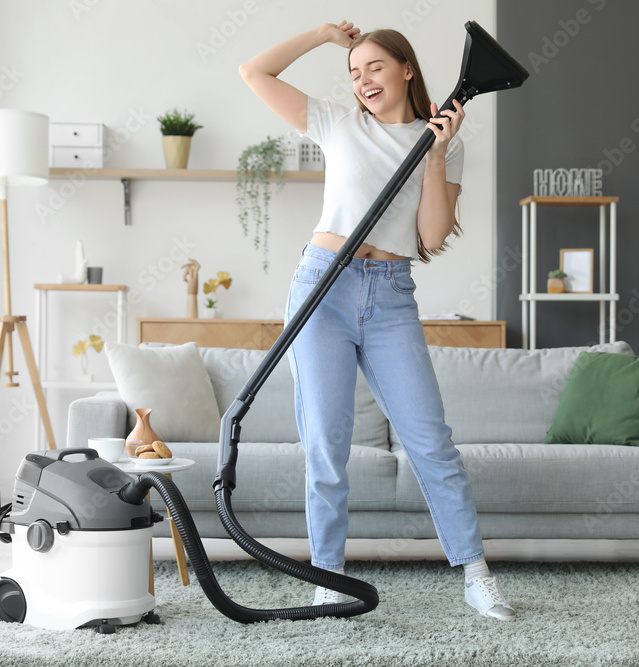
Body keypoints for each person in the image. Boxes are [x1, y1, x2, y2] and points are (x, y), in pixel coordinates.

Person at [239, 20, 515, 621]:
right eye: (354, 71)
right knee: (327, 444)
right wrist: (319, 34)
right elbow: (254, 73)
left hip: (391, 295)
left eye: (376, 67)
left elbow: (431, 237)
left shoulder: (441, 139)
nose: (363, 80)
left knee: (431, 442)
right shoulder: (339, 123)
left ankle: (474, 573)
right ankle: (328, 578)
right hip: (323, 287)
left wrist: (437, 155)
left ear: (407, 69)